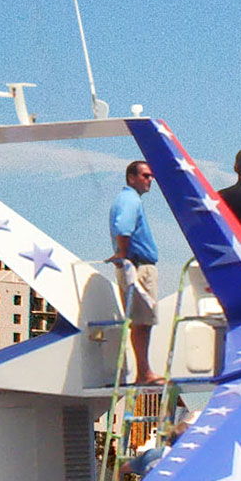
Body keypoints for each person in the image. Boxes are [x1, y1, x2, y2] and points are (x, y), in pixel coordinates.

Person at [108, 158, 159, 384]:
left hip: (134, 265)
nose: (150, 179)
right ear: (132, 177)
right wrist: (123, 253)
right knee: (142, 321)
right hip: (138, 267)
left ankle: (143, 371)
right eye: (145, 175)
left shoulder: (126, 199)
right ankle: (144, 373)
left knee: (141, 321)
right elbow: (123, 228)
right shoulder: (130, 200)